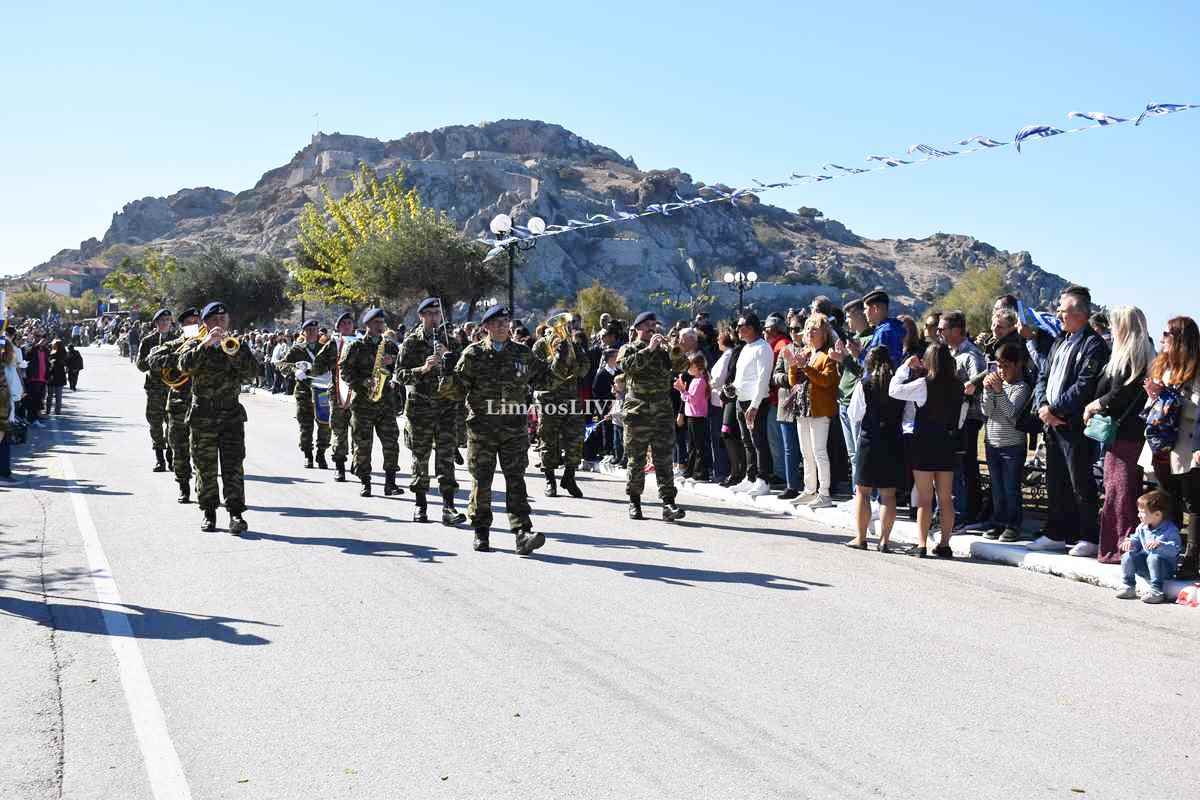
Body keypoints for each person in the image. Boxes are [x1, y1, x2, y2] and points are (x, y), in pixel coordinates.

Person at [438, 303, 568, 553]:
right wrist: (447, 371)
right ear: (485, 327)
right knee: (482, 481)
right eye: (496, 322)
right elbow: (454, 392)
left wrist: (561, 359)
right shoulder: (473, 354)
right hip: (482, 430)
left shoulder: (522, 353)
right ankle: (481, 531)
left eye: (505, 321)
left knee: (516, 480)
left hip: (514, 430)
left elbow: (546, 380)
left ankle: (522, 533)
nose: (502, 326)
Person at [1031, 286, 1109, 555]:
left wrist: (1056, 410)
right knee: (1055, 480)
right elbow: (1043, 375)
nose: (1058, 315)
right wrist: (1043, 406)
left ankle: (1088, 535)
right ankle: (1056, 532)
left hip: (1073, 424)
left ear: (1078, 313)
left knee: (1080, 481)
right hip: (1050, 422)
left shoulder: (1093, 345)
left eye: (1062, 311)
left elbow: (1084, 386)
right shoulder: (1060, 340)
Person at [176, 302, 260, 533]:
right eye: (214, 320)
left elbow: (253, 373)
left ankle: (235, 514)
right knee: (205, 467)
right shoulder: (194, 344)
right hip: (203, 416)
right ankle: (209, 512)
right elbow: (183, 367)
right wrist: (205, 344)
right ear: (205, 323)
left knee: (233, 467)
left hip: (231, 415)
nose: (219, 324)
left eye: (223, 320)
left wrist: (235, 353)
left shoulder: (236, 346)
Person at [1084, 306, 1154, 563]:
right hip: (1131, 434)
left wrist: (1094, 405)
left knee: (1119, 491)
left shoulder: (1130, 359)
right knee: (1122, 490)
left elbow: (1117, 396)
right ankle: (1122, 547)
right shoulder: (1143, 356)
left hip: (1124, 435)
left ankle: (1120, 549)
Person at [889, 344, 967, 558]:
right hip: (946, 442)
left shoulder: (924, 384)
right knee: (945, 497)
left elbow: (894, 390)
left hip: (924, 443)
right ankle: (945, 543)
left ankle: (922, 543)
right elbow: (960, 418)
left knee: (924, 498)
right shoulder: (958, 386)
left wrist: (904, 367)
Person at [1138, 315, 1200, 578]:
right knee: (1168, 499)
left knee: (1194, 503)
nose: (1162, 338)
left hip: (1189, 445)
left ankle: (1192, 557)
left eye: (1167, 334)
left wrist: (1172, 399)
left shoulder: (1196, 369)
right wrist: (1155, 396)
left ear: (1181, 338)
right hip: (1163, 446)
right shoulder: (1163, 366)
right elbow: (1153, 411)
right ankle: (1169, 551)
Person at [394, 298, 466, 524]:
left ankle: (448, 507)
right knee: (421, 456)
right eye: (431, 313)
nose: (435, 317)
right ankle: (420, 505)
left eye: (438, 313)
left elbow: (464, 373)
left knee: (445, 457)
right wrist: (423, 369)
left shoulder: (451, 342)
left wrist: (448, 358)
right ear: (421, 316)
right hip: (420, 408)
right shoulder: (411, 343)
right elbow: (400, 374)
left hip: (446, 408)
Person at [618, 311, 689, 520]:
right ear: (638, 328)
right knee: (636, 459)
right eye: (648, 325)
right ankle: (634, 501)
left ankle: (668, 503)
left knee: (664, 459)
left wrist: (674, 350)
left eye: (654, 325)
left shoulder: (663, 350)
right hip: (637, 411)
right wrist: (649, 349)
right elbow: (627, 367)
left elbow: (682, 366)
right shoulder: (628, 348)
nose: (652, 328)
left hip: (662, 411)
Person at [339, 308, 404, 498]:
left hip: (386, 402)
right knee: (363, 445)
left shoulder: (390, 346)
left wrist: (391, 363)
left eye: (382, 323)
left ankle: (390, 483)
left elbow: (400, 369)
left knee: (391, 443)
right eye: (376, 323)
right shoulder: (356, 346)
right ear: (367, 325)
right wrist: (363, 381)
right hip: (363, 404)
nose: (380, 326)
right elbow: (344, 372)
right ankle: (365, 482)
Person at [847, 346, 905, 549]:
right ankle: (884, 541)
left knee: (863, 491)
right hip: (892, 441)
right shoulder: (898, 386)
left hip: (869, 440)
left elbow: (854, 415)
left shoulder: (864, 384)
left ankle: (861, 538)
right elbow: (907, 416)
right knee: (888, 494)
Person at [781, 313, 840, 507]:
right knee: (806, 452)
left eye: (814, 329)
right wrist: (792, 365)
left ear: (824, 334)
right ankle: (809, 489)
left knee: (819, 452)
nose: (809, 332)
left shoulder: (828, 355)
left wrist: (805, 367)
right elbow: (792, 382)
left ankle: (824, 493)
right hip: (803, 409)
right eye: (808, 329)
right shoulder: (807, 353)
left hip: (819, 410)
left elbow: (826, 381)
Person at [532, 310, 589, 499]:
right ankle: (550, 480)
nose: (566, 328)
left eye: (567, 325)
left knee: (575, 439)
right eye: (562, 325)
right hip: (548, 398)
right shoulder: (542, 345)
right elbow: (537, 371)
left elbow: (585, 367)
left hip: (570, 398)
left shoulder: (574, 344)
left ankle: (569, 477)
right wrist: (557, 357)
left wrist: (573, 364)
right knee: (548, 439)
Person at [979, 343, 1032, 541]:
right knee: (997, 489)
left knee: (1011, 488)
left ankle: (1013, 524)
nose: (1001, 371)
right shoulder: (998, 386)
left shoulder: (1022, 388)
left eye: (1006, 366)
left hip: (1012, 446)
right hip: (993, 444)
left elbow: (1011, 414)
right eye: (999, 367)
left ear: (1018, 365)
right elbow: (987, 411)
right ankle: (998, 522)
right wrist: (988, 391)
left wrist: (999, 391)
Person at [147, 307, 201, 503]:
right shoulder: (173, 345)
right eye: (189, 323)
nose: (193, 326)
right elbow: (152, 360)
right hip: (179, 403)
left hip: (202, 404)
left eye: (197, 322)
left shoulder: (209, 344)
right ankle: (183, 485)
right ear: (182, 326)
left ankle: (203, 490)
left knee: (201, 451)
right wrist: (183, 359)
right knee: (179, 448)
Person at [277, 319, 332, 469]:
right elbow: (282, 365)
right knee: (305, 426)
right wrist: (295, 371)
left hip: (322, 392)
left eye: (314, 330)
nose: (312, 333)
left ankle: (321, 454)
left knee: (324, 424)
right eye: (308, 330)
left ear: (318, 331)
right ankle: (308, 455)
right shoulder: (297, 349)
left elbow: (335, 365)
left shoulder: (326, 348)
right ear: (304, 332)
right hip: (304, 392)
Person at [730, 313, 774, 497]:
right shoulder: (746, 348)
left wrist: (755, 405)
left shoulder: (763, 348)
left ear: (751, 327)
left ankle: (763, 480)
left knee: (759, 442)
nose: (738, 329)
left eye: (741, 325)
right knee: (747, 442)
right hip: (741, 399)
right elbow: (742, 377)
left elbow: (763, 378)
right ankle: (751, 477)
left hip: (755, 402)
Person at [1116, 489, 1182, 604]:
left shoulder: (1170, 530)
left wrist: (1161, 545)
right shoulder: (1142, 527)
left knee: (1154, 557)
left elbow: (1175, 548)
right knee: (1128, 556)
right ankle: (1128, 586)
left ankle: (1156, 591)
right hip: (1146, 567)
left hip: (1164, 569)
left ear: (1157, 514)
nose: (1138, 515)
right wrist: (1130, 543)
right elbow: (1136, 539)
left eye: (1142, 512)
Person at [136, 308, 176, 472]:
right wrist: (150, 358)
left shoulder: (178, 339)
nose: (165, 323)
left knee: (173, 425)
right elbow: (140, 365)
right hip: (155, 389)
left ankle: (172, 457)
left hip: (174, 388)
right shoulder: (148, 341)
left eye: (167, 321)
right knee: (155, 424)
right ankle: (159, 459)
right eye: (161, 321)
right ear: (156, 323)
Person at [674, 353, 710, 481]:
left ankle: (700, 473)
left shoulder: (700, 381)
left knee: (699, 446)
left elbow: (692, 399)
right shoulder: (695, 380)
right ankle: (690, 471)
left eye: (690, 365)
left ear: (697, 366)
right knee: (693, 446)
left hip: (697, 417)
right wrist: (682, 390)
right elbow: (688, 398)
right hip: (691, 416)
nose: (688, 368)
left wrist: (682, 390)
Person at [849, 290, 905, 368]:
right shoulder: (894, 327)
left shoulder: (884, 332)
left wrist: (858, 356)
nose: (864, 313)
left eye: (865, 308)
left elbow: (875, 366)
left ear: (875, 309)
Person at [46, 339, 68, 415]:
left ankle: (57, 412)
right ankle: (48, 411)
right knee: (50, 395)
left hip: (59, 377)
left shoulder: (62, 354)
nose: (52, 345)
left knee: (58, 395)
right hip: (51, 376)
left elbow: (64, 363)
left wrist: (54, 361)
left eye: (53, 344)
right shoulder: (50, 352)